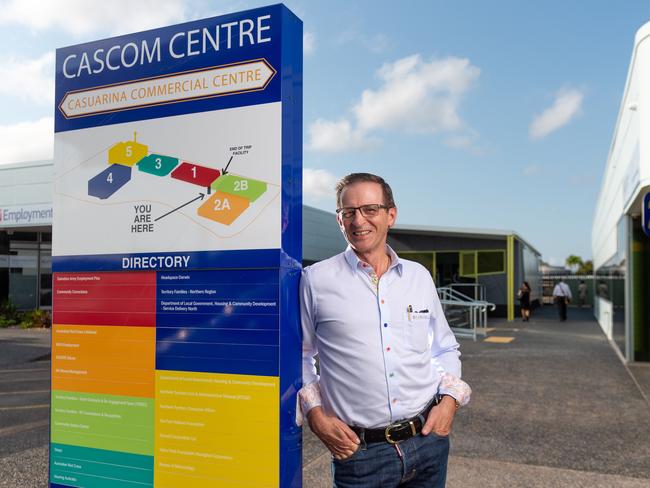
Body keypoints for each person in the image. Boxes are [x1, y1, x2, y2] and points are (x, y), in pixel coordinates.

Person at [298, 173, 471, 488]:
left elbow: (445, 348)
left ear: (391, 215)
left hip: (428, 441)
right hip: (361, 455)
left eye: (369, 209)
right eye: (348, 212)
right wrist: (316, 415)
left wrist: (449, 403)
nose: (358, 220)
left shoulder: (418, 277)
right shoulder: (315, 280)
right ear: (339, 219)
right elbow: (302, 355)